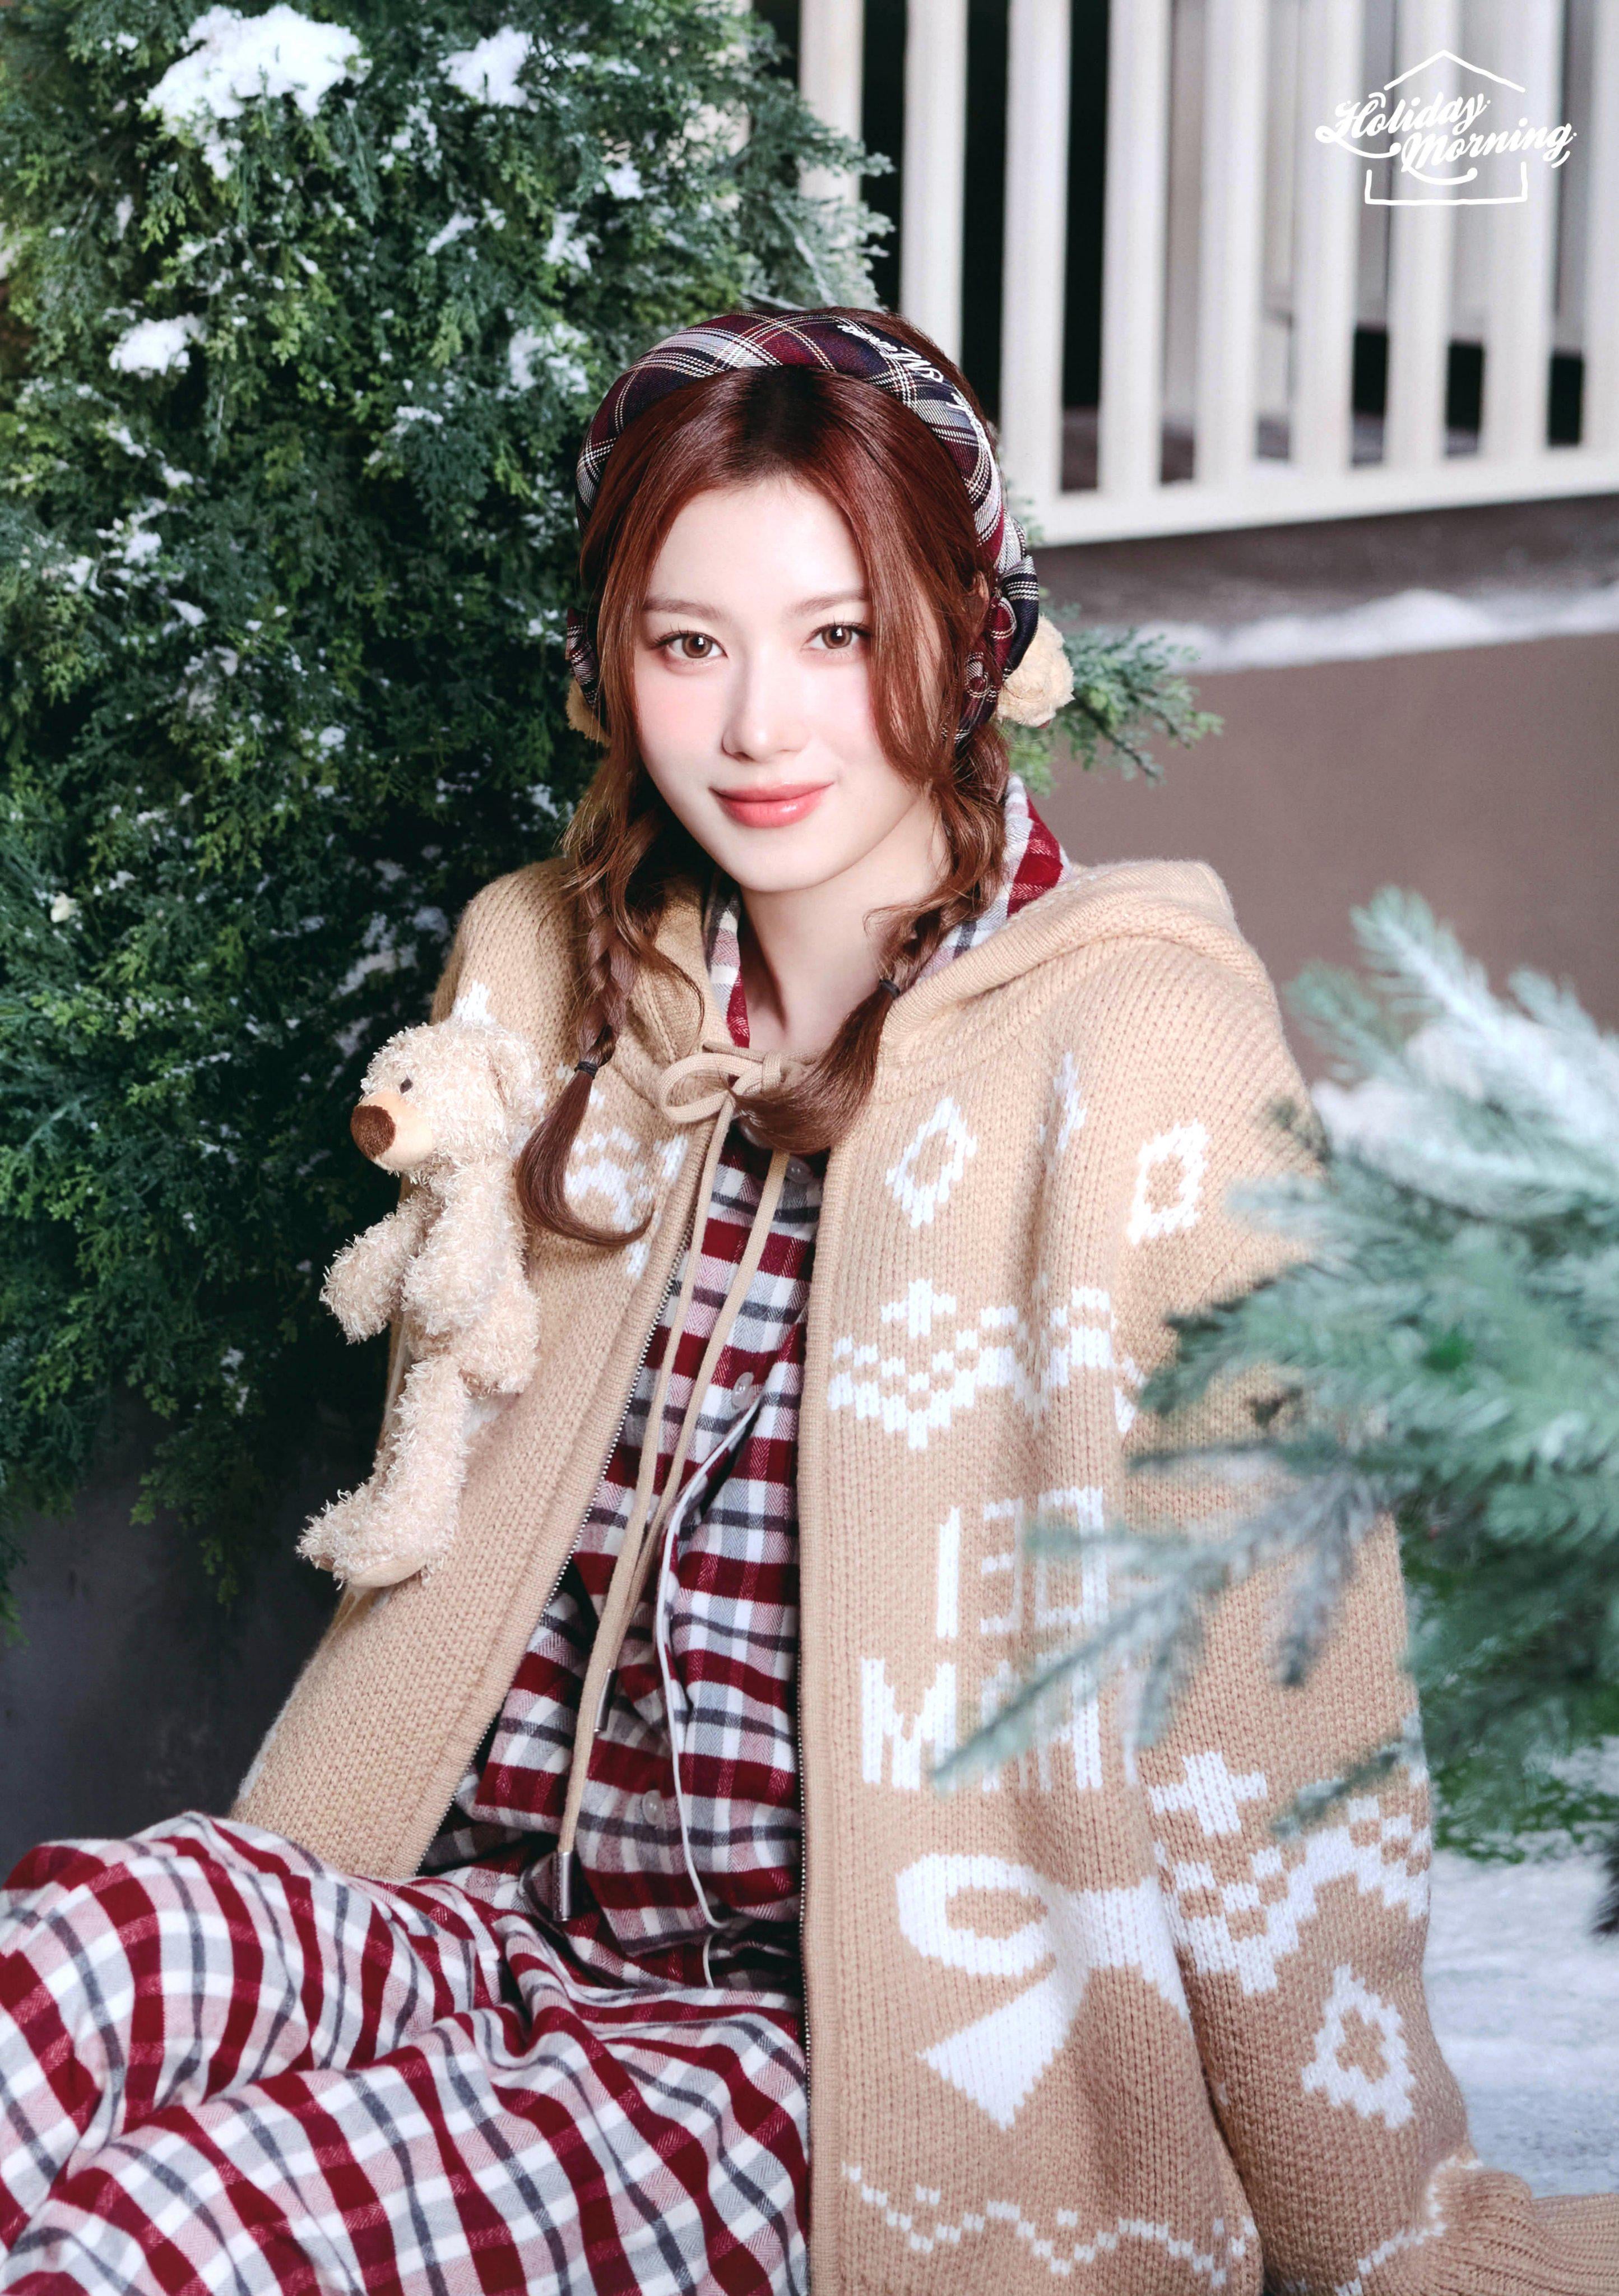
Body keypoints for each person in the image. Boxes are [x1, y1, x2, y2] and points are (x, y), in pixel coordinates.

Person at [0, 308, 1612, 2296]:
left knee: (161, 2233)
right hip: (479, 1918)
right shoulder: (550, 978)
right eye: (689, 645)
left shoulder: (1140, 1048)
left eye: (838, 636)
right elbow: (448, 1503)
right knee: (73, 1976)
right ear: (607, 668)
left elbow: (1275, 1679)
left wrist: (1381, 2227)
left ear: (976, 639)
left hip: (851, 2054)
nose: (759, 725)